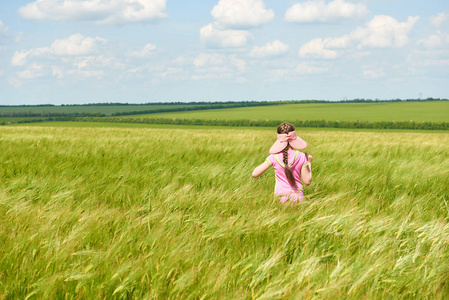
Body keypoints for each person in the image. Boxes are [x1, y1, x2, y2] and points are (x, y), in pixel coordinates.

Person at [252, 122, 313, 203]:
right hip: (298, 199)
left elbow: (254, 174)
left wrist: (269, 160)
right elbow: (307, 182)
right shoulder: (301, 156)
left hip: (280, 199)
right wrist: (309, 162)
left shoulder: (274, 157)